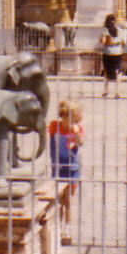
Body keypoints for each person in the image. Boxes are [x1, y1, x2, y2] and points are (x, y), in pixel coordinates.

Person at [49, 99, 82, 243]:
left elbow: (80, 143)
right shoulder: (54, 126)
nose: (73, 122)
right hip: (57, 167)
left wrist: (76, 134)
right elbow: (50, 134)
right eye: (70, 118)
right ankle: (57, 227)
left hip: (71, 168)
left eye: (75, 119)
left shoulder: (76, 129)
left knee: (68, 200)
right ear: (63, 116)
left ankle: (67, 229)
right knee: (58, 200)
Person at [100, 14, 125, 97]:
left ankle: (106, 90)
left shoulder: (105, 30)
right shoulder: (119, 30)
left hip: (108, 52)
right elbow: (123, 42)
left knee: (106, 71)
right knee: (118, 71)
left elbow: (104, 41)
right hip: (118, 52)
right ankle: (117, 92)